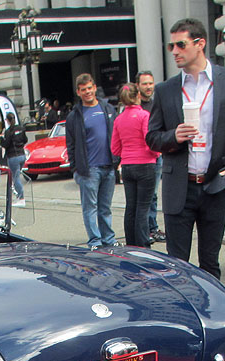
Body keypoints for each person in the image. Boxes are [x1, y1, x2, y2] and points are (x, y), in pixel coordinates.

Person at [146, 18, 225, 278]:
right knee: (176, 267)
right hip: (179, 188)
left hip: (215, 185)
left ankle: (212, 317)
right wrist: (173, 136)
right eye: (170, 46)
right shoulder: (166, 90)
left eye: (181, 45)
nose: (175, 51)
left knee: (210, 264)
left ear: (200, 44)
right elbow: (152, 137)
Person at [66, 73, 119, 248]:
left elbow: (117, 135)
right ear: (78, 92)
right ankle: (95, 241)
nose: (87, 92)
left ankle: (108, 240)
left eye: (90, 88)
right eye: (83, 90)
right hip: (89, 170)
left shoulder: (108, 109)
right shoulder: (75, 116)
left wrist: (117, 160)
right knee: (90, 208)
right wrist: (75, 169)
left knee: (105, 207)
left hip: (109, 166)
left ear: (95, 88)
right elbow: (71, 144)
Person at [111, 83, 158, 247]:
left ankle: (131, 244)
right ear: (138, 95)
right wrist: (156, 153)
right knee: (143, 208)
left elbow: (115, 148)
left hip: (128, 165)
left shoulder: (118, 119)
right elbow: (149, 140)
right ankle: (143, 245)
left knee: (131, 207)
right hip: (145, 164)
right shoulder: (144, 115)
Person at [137, 70, 165, 244]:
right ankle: (145, 229)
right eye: (144, 84)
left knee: (153, 195)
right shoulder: (135, 106)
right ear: (138, 86)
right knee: (144, 196)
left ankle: (152, 227)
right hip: (142, 157)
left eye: (150, 83)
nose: (148, 87)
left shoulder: (157, 104)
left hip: (157, 155)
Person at [0, 113, 28, 206]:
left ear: (7, 120)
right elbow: (25, 140)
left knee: (15, 177)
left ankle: (21, 198)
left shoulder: (9, 131)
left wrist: (1, 138)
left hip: (13, 156)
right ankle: (19, 196)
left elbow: (5, 144)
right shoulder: (21, 128)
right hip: (21, 154)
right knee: (17, 175)